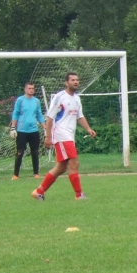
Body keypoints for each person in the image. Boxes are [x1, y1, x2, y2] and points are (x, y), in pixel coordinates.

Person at [31, 72, 97, 201]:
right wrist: (48, 137)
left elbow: (80, 116)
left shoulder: (77, 98)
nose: (76, 82)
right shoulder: (59, 97)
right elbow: (50, 117)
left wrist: (88, 129)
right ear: (66, 82)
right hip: (61, 135)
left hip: (68, 136)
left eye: (77, 80)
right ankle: (79, 195)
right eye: (72, 80)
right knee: (74, 162)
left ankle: (39, 192)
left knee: (61, 167)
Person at [9, 81, 45, 180]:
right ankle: (16, 175)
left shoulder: (36, 101)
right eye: (29, 88)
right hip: (22, 131)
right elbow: (15, 113)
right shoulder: (20, 100)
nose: (31, 90)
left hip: (34, 131)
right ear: (25, 89)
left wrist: (45, 127)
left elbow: (39, 115)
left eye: (33, 88)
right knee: (20, 152)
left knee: (35, 152)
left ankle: (36, 173)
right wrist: (13, 127)